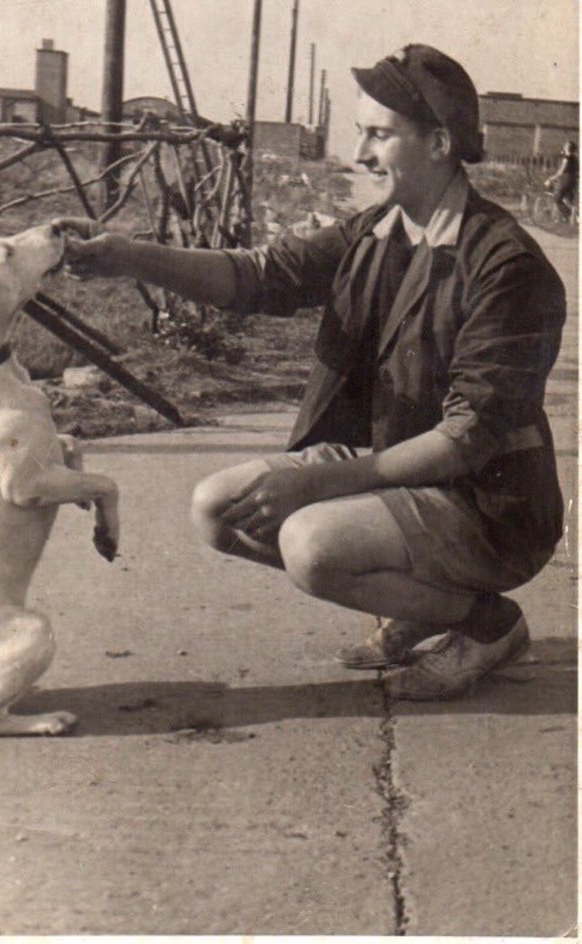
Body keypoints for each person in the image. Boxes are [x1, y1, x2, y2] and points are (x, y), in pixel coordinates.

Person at [53, 43, 566, 701]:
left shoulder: (505, 265)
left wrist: (323, 481)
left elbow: (469, 438)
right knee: (218, 510)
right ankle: (420, 605)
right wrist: (127, 257)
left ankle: (488, 624)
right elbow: (259, 277)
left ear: (438, 143)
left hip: (492, 506)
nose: (359, 154)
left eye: (378, 135)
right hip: (400, 468)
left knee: (311, 546)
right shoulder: (378, 230)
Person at [545, 140, 578, 223]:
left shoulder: (566, 158)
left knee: (557, 199)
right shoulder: (575, 158)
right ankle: (573, 216)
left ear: (566, 148)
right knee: (567, 199)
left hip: (565, 180)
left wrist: (550, 178)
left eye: (565, 145)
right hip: (573, 180)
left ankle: (568, 215)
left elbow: (561, 171)